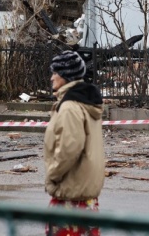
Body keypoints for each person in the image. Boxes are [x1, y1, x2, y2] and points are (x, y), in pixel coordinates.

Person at [44, 50, 105, 236]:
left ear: (65, 76)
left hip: (71, 193)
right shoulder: (85, 102)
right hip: (84, 195)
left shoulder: (70, 107)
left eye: (55, 73)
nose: (52, 78)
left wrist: (53, 175)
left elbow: (69, 149)